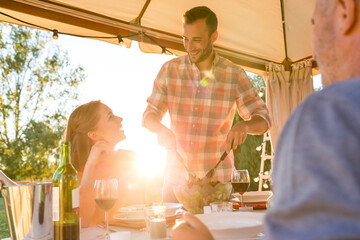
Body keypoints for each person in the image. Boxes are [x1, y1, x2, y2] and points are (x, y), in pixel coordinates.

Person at [171, 0, 360, 239]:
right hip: (179, 183)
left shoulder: (329, 115)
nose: (314, 50)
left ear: (345, 12)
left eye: (315, 26)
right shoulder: (170, 71)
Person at [142, 6, 270, 202]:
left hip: (218, 184)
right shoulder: (169, 71)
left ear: (214, 36)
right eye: (185, 38)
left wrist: (244, 125)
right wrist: (160, 129)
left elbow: (264, 119)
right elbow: (149, 115)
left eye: (197, 40)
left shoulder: (234, 74)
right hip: (176, 184)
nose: (189, 46)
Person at [63, 100, 141, 227]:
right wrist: (90, 166)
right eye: (110, 117)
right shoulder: (75, 176)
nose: (120, 119)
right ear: (93, 134)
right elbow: (81, 222)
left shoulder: (130, 159)